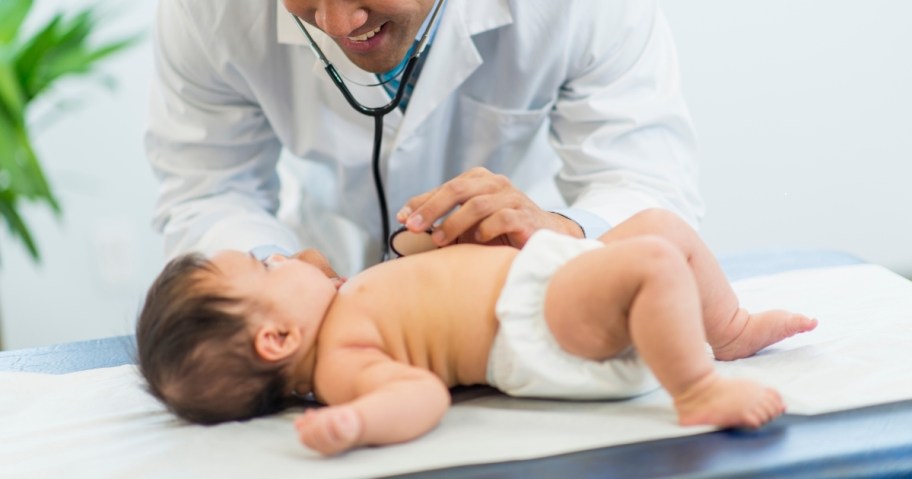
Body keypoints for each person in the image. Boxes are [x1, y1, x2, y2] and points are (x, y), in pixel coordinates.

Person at [136, 209, 817, 456]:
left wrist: (427, 242)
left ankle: (724, 328)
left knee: (659, 226)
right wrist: (359, 421)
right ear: (277, 340)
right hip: (538, 329)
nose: (281, 254)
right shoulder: (340, 364)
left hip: (543, 281)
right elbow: (421, 397)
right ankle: (695, 386)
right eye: (264, 264)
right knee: (653, 263)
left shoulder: (343, 304)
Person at [146, 0, 704, 275]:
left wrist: (558, 233)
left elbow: (646, 183)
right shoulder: (208, 11)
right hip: (322, 258)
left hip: (518, 274)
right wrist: (274, 274)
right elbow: (209, 191)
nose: (339, 22)